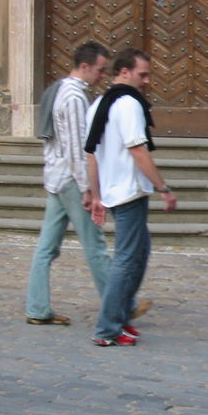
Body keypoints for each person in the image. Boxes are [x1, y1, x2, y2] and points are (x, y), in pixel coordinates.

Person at [84, 48, 177, 346]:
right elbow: (138, 150)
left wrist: (97, 194)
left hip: (114, 190)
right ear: (124, 72)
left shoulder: (100, 103)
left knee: (138, 253)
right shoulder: (127, 104)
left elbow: (92, 154)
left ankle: (120, 317)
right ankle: (108, 327)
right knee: (127, 260)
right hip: (127, 191)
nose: (147, 81)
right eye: (143, 74)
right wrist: (163, 188)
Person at [25, 42, 112, 325]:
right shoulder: (73, 97)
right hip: (71, 180)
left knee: (47, 247)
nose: (103, 76)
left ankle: (37, 308)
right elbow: (78, 148)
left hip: (56, 176)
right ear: (84, 66)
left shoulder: (58, 89)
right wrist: (89, 188)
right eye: (100, 70)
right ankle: (118, 305)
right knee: (94, 244)